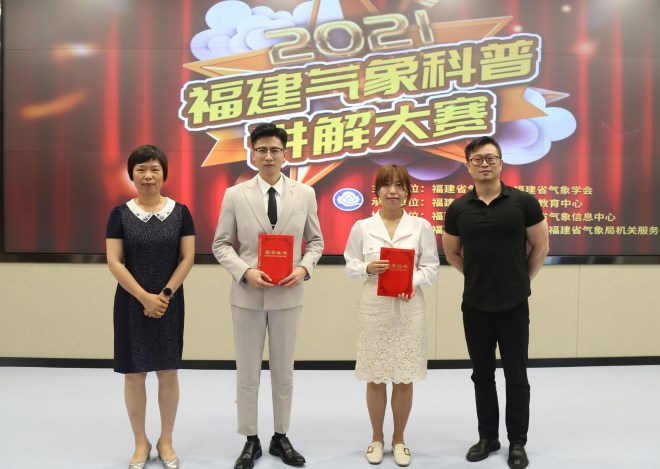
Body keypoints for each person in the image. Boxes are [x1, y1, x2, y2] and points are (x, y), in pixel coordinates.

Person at [212, 123, 324, 469]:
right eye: (261, 150)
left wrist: (303, 269)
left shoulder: (305, 194)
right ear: (252, 154)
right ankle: (250, 439)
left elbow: (316, 242)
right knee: (247, 372)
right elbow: (221, 244)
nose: (268, 156)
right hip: (247, 295)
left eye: (275, 150)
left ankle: (280, 435)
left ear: (284, 154)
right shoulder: (235, 194)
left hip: (288, 295)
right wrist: (245, 271)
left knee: (283, 372)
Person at [442, 136, 549, 469]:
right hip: (475, 305)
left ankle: (517, 442)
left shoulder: (524, 202)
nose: (484, 164)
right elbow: (452, 253)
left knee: (516, 375)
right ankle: (488, 437)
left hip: (514, 304)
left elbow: (540, 247)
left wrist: (521, 281)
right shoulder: (458, 208)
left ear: (501, 162)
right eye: (478, 159)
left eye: (491, 158)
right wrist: (477, 277)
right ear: (468, 166)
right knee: (482, 375)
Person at [106, 144, 195, 469]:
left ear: (164, 174)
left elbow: (187, 258)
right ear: (132, 174)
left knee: (168, 372)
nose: (148, 175)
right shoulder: (120, 214)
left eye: (154, 169)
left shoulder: (181, 212)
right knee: (134, 375)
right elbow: (114, 262)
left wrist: (165, 295)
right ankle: (140, 442)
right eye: (141, 169)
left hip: (170, 304)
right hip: (131, 304)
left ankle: (166, 440)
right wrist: (144, 296)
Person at [344, 164, 439, 467]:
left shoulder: (421, 227)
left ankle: (399, 439)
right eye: (386, 185)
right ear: (377, 191)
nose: (393, 191)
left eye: (399, 185)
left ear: (408, 191)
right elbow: (350, 265)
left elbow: (431, 268)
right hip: (374, 309)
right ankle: (376, 438)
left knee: (404, 377)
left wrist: (412, 282)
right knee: (375, 376)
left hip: (409, 308)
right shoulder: (362, 227)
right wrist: (367, 268)